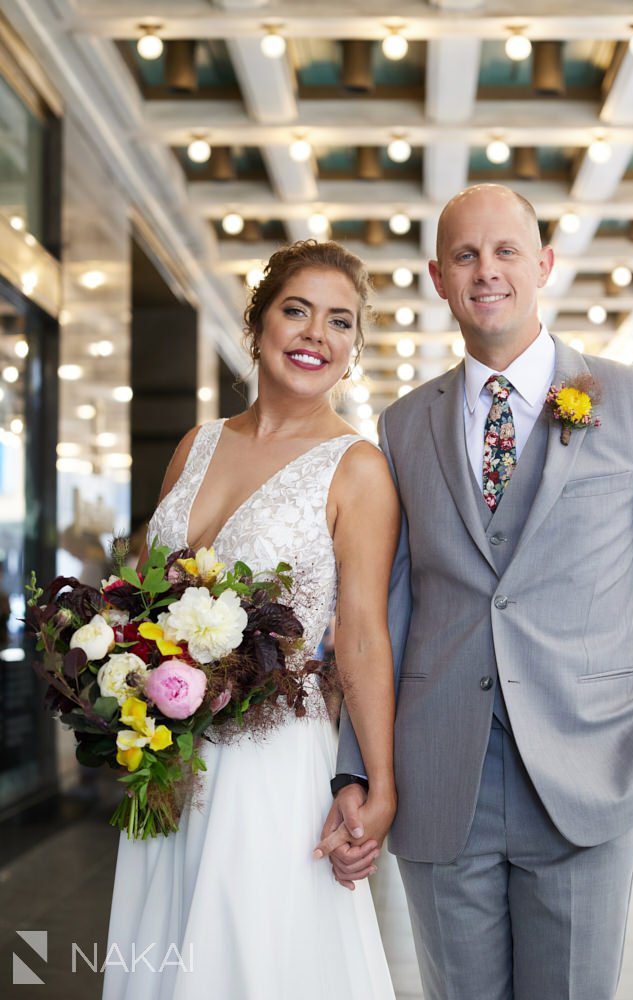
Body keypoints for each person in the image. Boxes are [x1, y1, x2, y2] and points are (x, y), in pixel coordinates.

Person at [318, 184, 633, 999]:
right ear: (438, 278)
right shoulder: (403, 425)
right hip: (438, 773)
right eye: (465, 255)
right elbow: (383, 608)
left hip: (591, 768)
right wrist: (355, 771)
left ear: (543, 264)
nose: (486, 271)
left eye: (506, 250)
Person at [103, 241, 399, 999]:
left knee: (252, 962)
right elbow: (144, 591)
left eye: (340, 322)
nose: (315, 336)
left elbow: (362, 635)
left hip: (271, 766)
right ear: (258, 323)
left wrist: (378, 784)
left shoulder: (356, 468)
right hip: (171, 758)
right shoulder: (196, 444)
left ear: (353, 347)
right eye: (296, 311)